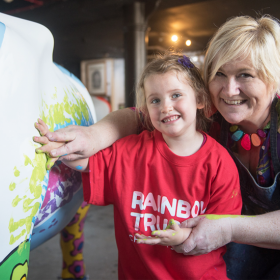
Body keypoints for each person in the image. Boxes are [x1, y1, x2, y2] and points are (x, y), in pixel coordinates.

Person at [36, 15, 280, 279]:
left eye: (245, 74)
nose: (230, 90)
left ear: (273, 76)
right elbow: (138, 116)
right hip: (225, 250)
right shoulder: (210, 113)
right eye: (219, 74)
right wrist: (92, 136)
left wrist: (229, 229)